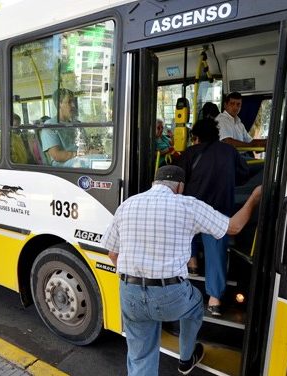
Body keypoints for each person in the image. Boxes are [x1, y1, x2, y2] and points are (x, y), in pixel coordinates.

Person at [101, 165, 261, 376]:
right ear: (180, 187)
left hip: (129, 291)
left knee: (140, 356)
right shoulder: (188, 205)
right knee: (195, 303)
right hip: (170, 295)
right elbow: (234, 227)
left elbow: (113, 254)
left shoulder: (128, 204)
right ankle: (186, 358)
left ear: (153, 184)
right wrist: (254, 198)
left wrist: (132, 279)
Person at [178, 118, 250, 316]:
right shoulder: (230, 151)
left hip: (194, 208)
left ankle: (192, 264)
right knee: (216, 251)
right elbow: (244, 175)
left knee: (186, 230)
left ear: (196, 137)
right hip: (219, 210)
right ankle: (215, 300)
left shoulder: (190, 153)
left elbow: (180, 182)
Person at [41, 88, 106, 168]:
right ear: (59, 104)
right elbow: (56, 155)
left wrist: (96, 149)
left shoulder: (76, 124)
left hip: (81, 158)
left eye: (73, 101)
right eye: (69, 102)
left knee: (107, 158)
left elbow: (86, 145)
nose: (73, 105)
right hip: (63, 165)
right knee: (103, 162)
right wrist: (86, 153)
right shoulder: (50, 126)